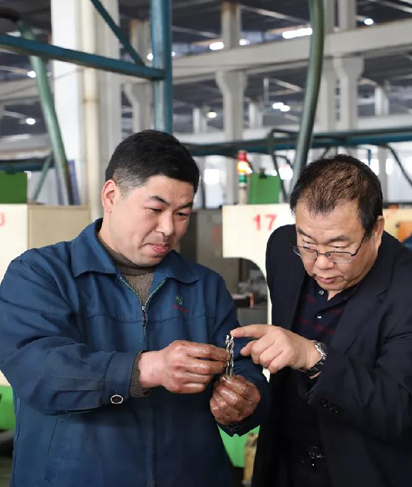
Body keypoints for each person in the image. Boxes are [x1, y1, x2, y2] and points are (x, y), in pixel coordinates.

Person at [0, 130, 270, 486]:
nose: (168, 229)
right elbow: (37, 370)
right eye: (155, 210)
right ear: (111, 196)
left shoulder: (204, 286)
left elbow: (242, 367)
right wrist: (147, 368)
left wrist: (245, 399)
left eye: (182, 213)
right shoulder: (40, 274)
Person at [230, 155, 412, 487]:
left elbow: (398, 409)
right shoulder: (282, 251)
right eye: (308, 244)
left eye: (339, 248)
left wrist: (313, 356)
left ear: (376, 230)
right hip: (284, 465)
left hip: (368, 472)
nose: (320, 264)